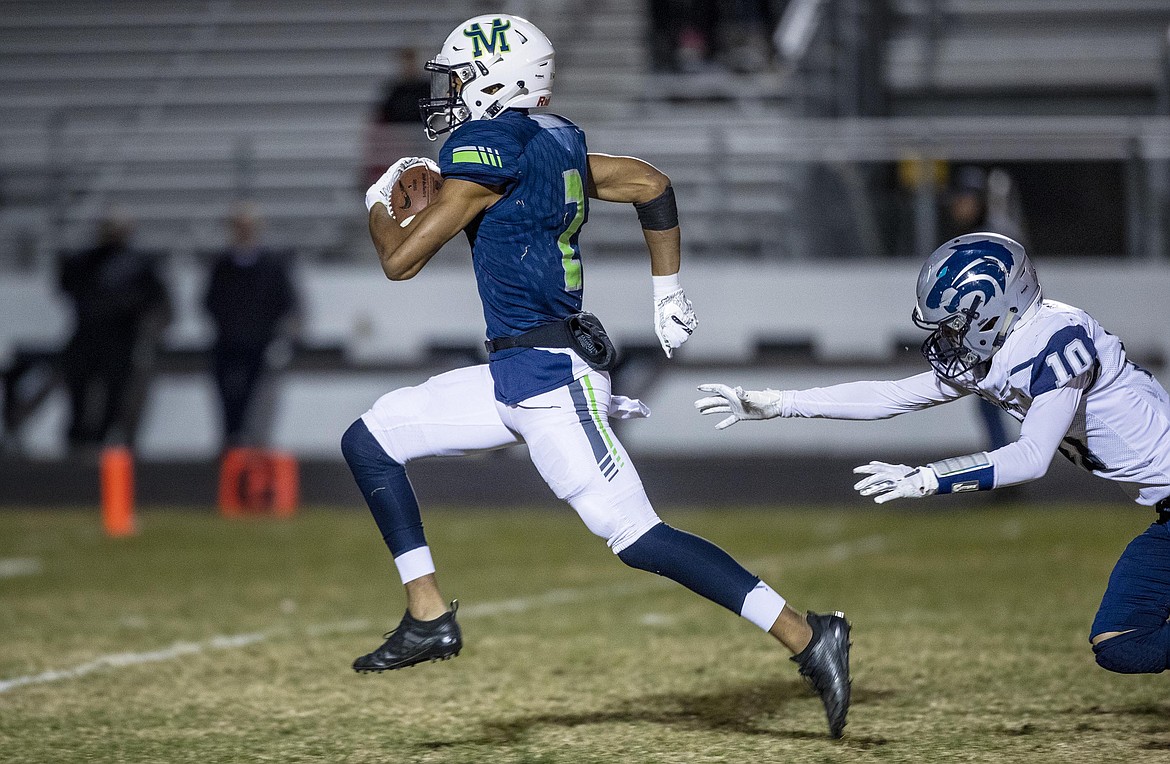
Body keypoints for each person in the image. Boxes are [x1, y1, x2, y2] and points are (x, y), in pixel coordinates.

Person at [343, 14, 851, 738]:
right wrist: (666, 290)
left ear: (495, 80)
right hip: (517, 370)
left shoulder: (485, 150)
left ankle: (810, 637)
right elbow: (650, 182)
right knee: (369, 440)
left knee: (638, 536)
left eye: (456, 78)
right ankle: (427, 613)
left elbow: (399, 260)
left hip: (551, 378)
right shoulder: (557, 139)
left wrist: (376, 198)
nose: (447, 93)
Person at [696, 232, 1170, 676]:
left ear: (993, 308)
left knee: (1126, 639)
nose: (946, 338)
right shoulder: (1005, 344)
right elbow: (893, 396)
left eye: (954, 324)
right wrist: (780, 403)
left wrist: (927, 478)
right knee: (1120, 642)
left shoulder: (1056, 340)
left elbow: (1032, 458)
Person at [58, 213, 171, 452]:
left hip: (121, 340)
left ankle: (103, 438)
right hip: (87, 337)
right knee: (79, 393)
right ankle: (79, 437)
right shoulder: (86, 261)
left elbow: (156, 301)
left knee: (116, 394)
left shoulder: (139, 264)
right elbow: (68, 284)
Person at [204, 203, 299, 449]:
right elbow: (210, 302)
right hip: (227, 345)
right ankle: (231, 445)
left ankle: (255, 447)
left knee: (259, 402)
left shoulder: (272, 266)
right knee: (228, 399)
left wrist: (279, 336)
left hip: (262, 345)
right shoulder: (222, 265)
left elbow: (286, 303)